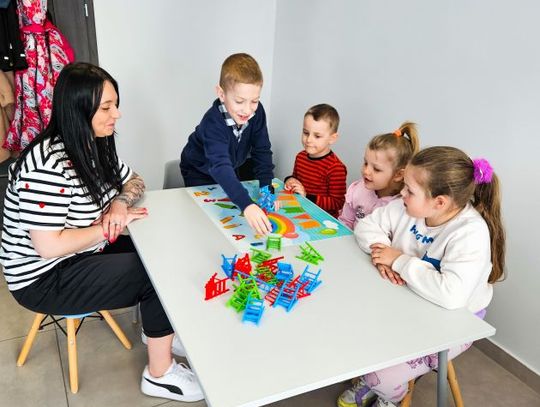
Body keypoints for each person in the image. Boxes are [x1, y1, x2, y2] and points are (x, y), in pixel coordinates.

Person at [0, 62, 204, 403]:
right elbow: (49, 247)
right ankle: (159, 374)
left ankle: (157, 330)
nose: (117, 115)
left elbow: (134, 179)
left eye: (115, 104)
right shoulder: (47, 165)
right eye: (107, 107)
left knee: (160, 252)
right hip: (43, 277)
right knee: (155, 274)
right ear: (79, 110)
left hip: (78, 253)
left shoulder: (91, 144)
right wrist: (105, 228)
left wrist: (119, 204)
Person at [337, 146, 506, 407]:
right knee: (352, 334)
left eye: (409, 190)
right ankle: (381, 385)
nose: (401, 193)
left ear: (440, 202)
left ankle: (389, 396)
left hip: (455, 321)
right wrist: (383, 254)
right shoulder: (404, 206)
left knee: (377, 374)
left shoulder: (470, 232)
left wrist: (399, 260)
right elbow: (367, 226)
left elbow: (452, 296)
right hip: (408, 300)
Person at [180, 53, 275, 235]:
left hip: (230, 165)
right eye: (239, 101)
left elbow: (262, 151)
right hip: (199, 170)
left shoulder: (257, 113)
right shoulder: (212, 123)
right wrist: (247, 205)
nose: (248, 110)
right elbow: (220, 167)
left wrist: (266, 187)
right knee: (207, 220)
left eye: (254, 101)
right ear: (221, 94)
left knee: (232, 212)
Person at [338, 122, 420, 230]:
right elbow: (345, 222)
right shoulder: (357, 190)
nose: (366, 171)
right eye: (366, 163)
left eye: (376, 169)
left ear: (398, 175)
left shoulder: (401, 206)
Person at [284, 103, 347, 218]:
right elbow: (296, 179)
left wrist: (307, 196)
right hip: (299, 210)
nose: (308, 140)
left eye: (317, 136)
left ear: (332, 138)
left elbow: (337, 203)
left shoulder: (335, 168)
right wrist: (290, 180)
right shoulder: (300, 157)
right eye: (306, 133)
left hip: (321, 219)